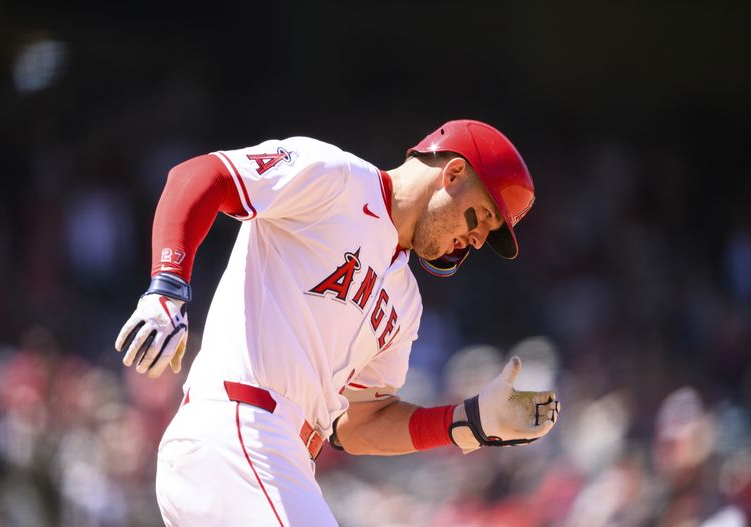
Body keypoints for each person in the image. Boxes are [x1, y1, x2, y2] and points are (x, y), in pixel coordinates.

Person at [115, 119, 561, 526]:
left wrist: (470, 421)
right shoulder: (335, 177)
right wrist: (168, 285)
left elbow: (358, 424)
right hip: (238, 435)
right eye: (482, 215)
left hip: (278, 461)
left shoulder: (405, 304)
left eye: (488, 231)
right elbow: (203, 175)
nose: (478, 239)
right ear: (454, 174)